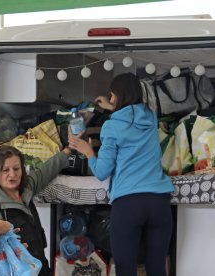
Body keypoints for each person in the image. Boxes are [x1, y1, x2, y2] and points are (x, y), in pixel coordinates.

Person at [68, 72, 174, 276]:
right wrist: (112, 106)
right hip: (159, 203)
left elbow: (102, 171)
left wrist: (88, 151)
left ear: (117, 95)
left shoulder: (111, 126)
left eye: (113, 96)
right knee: (157, 269)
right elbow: (131, 114)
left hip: (129, 204)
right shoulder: (150, 117)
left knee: (126, 270)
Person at [0, 145, 71, 276]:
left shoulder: (25, 188)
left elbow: (45, 171)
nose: (12, 174)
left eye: (16, 169)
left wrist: (68, 150)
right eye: (5, 170)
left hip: (39, 267)